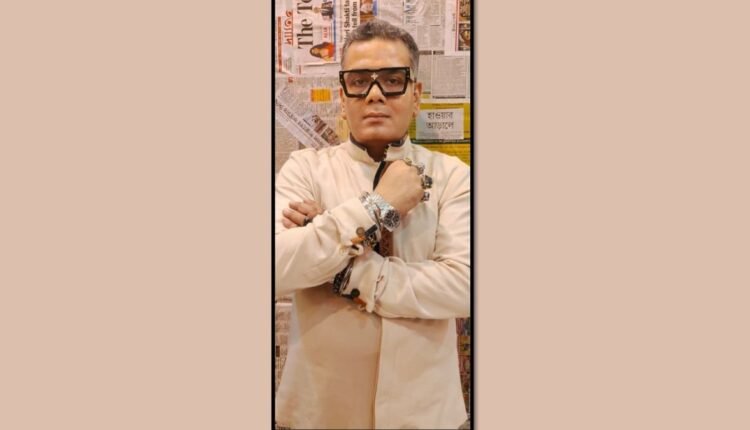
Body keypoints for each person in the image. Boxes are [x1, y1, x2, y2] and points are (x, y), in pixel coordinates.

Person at [275, 19, 470, 429]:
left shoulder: (455, 177)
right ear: (343, 97)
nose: (375, 94)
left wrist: (348, 270)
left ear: (415, 95)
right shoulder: (303, 170)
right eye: (360, 81)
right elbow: (275, 268)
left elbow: (465, 287)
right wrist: (378, 207)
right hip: (319, 415)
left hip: (426, 416)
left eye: (393, 80)